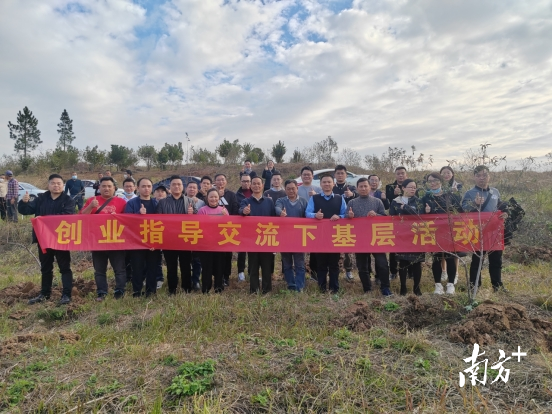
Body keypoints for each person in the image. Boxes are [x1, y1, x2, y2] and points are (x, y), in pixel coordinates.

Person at [19, 174, 76, 305]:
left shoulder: (68, 200)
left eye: (59, 183)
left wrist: (44, 219)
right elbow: (26, 211)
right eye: (53, 183)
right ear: (48, 185)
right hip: (43, 238)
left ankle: (66, 295)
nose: (56, 186)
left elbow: (67, 216)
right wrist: (24, 202)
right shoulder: (41, 198)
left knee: (65, 267)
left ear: (63, 185)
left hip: (60, 239)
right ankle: (45, 294)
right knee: (45, 267)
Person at [461, 165, 509, 292]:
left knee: (496, 260)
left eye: (484, 175)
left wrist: (505, 213)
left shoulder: (495, 192)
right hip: (478, 232)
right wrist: (474, 204)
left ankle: (497, 285)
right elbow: (463, 209)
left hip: (495, 232)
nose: (482, 178)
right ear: (474, 177)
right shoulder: (470, 193)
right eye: (478, 175)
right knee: (477, 260)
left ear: (489, 176)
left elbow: (500, 207)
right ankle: (474, 286)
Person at [81, 176, 128, 301]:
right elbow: (81, 218)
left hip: (116, 241)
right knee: (99, 270)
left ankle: (120, 291)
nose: (106, 188)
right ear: (99, 188)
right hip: (97, 242)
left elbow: (129, 221)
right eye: (104, 186)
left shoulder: (122, 202)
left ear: (114, 188)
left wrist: (118, 217)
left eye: (109, 186)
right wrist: (90, 206)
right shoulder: (92, 200)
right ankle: (102, 292)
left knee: (119, 269)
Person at [347, 178, 392, 296]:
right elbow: (346, 221)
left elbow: (384, 217)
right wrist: (349, 216)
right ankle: (367, 288)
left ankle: (385, 287)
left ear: (369, 187)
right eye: (360, 186)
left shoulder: (377, 202)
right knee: (362, 266)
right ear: (357, 188)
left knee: (382, 263)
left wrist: (376, 215)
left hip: (376, 237)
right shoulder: (352, 202)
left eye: (365, 186)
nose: (363, 188)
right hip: (360, 238)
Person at [422, 172, 463, 295]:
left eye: (435, 180)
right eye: (430, 181)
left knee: (450, 257)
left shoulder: (449, 195)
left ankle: (450, 284)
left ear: (441, 181)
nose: (433, 183)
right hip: (433, 232)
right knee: (437, 258)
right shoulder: (425, 197)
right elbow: (420, 216)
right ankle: (438, 285)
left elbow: (460, 211)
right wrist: (427, 212)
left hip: (449, 231)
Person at [306, 174, 346, 294]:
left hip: (335, 236)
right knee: (321, 263)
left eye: (329, 182)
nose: (327, 184)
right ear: (320, 184)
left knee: (334, 264)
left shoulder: (340, 198)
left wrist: (339, 216)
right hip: (320, 235)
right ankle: (322, 288)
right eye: (324, 182)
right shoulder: (315, 198)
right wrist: (315, 215)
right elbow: (307, 213)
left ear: (333, 184)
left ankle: (334, 288)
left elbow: (346, 214)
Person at [156, 175, 197, 294]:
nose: (176, 186)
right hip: (169, 240)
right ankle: (172, 289)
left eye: (179, 184)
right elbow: (158, 220)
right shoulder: (163, 202)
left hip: (185, 238)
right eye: (174, 184)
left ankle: (187, 288)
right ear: (170, 187)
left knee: (185, 265)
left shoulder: (190, 201)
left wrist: (192, 214)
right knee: (171, 266)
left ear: (182, 186)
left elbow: (197, 221)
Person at [239, 176, 276, 294]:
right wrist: (244, 212)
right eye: (254, 184)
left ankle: (267, 289)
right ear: (251, 186)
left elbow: (274, 218)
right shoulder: (246, 201)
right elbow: (240, 210)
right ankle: (254, 290)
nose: (256, 186)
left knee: (266, 266)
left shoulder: (269, 201)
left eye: (258, 183)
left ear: (262, 185)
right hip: (252, 239)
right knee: (253, 266)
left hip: (266, 237)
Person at [124, 178, 160, 297]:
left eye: (149, 186)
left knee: (152, 267)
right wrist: (139, 216)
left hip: (153, 241)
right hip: (137, 242)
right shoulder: (132, 203)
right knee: (137, 268)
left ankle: (151, 290)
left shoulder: (156, 203)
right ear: (138, 188)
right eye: (143, 186)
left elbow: (162, 223)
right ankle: (137, 291)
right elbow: (127, 223)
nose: (146, 189)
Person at [389, 179, 425, 296]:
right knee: (403, 262)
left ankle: (417, 288)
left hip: (416, 235)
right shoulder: (395, 201)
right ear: (403, 188)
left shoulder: (419, 201)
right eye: (410, 187)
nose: (413, 189)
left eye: (415, 187)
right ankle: (403, 288)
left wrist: (406, 208)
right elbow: (392, 217)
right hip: (402, 235)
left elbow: (419, 216)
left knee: (416, 263)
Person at [275, 179, 308, 292]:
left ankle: (300, 286)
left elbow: (308, 215)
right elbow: (277, 208)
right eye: (288, 189)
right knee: (287, 263)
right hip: (285, 238)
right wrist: (280, 212)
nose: (291, 191)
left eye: (293, 188)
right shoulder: (281, 200)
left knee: (300, 264)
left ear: (297, 189)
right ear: (285, 189)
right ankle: (291, 285)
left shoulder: (303, 201)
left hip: (299, 238)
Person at [197, 188, 229, 293]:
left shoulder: (223, 210)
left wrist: (225, 217)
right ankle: (206, 288)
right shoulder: (202, 210)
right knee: (207, 267)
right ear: (207, 198)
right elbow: (199, 227)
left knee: (219, 266)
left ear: (219, 198)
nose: (213, 199)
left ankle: (218, 287)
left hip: (220, 244)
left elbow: (229, 227)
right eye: (211, 197)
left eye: (216, 197)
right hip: (206, 244)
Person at [332, 165, 358, 281]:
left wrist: (352, 195)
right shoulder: (331, 188)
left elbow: (359, 197)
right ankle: (334, 270)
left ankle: (348, 270)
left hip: (348, 221)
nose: (340, 175)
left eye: (342, 173)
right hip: (334, 221)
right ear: (335, 175)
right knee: (333, 246)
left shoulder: (352, 188)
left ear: (346, 175)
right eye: (338, 173)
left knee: (347, 246)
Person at [214, 173, 239, 286]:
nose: (220, 182)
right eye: (218, 180)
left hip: (228, 229)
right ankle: (216, 275)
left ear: (226, 182)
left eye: (222, 180)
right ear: (215, 182)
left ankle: (226, 276)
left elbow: (235, 209)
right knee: (216, 254)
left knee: (227, 254)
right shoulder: (211, 194)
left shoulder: (231, 195)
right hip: (213, 229)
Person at [385, 166, 410, 280]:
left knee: (409, 247)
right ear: (395, 175)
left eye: (402, 173)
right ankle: (393, 271)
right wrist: (395, 194)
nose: (400, 175)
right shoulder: (389, 187)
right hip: (395, 221)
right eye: (398, 173)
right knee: (394, 248)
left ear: (406, 175)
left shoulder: (411, 185)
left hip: (409, 223)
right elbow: (388, 202)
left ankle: (410, 271)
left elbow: (415, 199)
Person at [297, 166, 321, 281]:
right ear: (301, 176)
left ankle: (314, 273)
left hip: (314, 223)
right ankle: (298, 272)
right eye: (304, 174)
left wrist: (316, 196)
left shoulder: (319, 189)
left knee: (315, 249)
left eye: (309, 174)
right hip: (299, 222)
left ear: (312, 176)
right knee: (298, 248)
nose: (306, 176)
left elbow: (324, 203)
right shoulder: (297, 189)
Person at [185, 181, 204, 290]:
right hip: (184, 234)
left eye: (194, 188)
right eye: (190, 187)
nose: (192, 189)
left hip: (197, 234)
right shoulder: (181, 200)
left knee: (197, 260)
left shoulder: (202, 203)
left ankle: (196, 280)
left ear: (197, 190)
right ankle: (187, 280)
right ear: (186, 189)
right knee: (186, 259)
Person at [236, 173, 253, 282]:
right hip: (241, 226)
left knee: (252, 250)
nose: (246, 183)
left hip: (254, 227)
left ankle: (252, 272)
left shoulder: (256, 193)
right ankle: (240, 272)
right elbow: (235, 209)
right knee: (241, 250)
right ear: (240, 182)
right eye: (244, 181)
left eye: (248, 181)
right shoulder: (236, 195)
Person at [153, 184, 167, 289]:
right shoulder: (150, 203)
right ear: (154, 193)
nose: (160, 193)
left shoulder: (169, 203)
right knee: (155, 258)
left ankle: (160, 278)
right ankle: (156, 277)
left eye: (162, 191)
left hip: (168, 234)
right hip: (154, 233)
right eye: (158, 191)